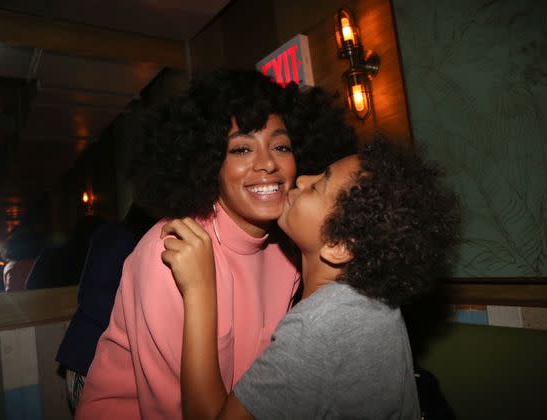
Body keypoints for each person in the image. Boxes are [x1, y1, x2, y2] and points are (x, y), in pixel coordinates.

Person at [76, 70, 357, 419]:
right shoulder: (168, 254)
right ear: (211, 165)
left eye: (281, 146)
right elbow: (170, 410)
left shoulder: (291, 247)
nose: (268, 163)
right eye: (241, 149)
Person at [162, 139, 461, 419]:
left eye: (318, 186)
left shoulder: (320, 326)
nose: (303, 179)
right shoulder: (374, 301)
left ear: (339, 245)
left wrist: (200, 289)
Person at [56, 203, 155, 412]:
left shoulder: (123, 238)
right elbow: (92, 298)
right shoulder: (117, 237)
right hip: (89, 359)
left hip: (99, 360)